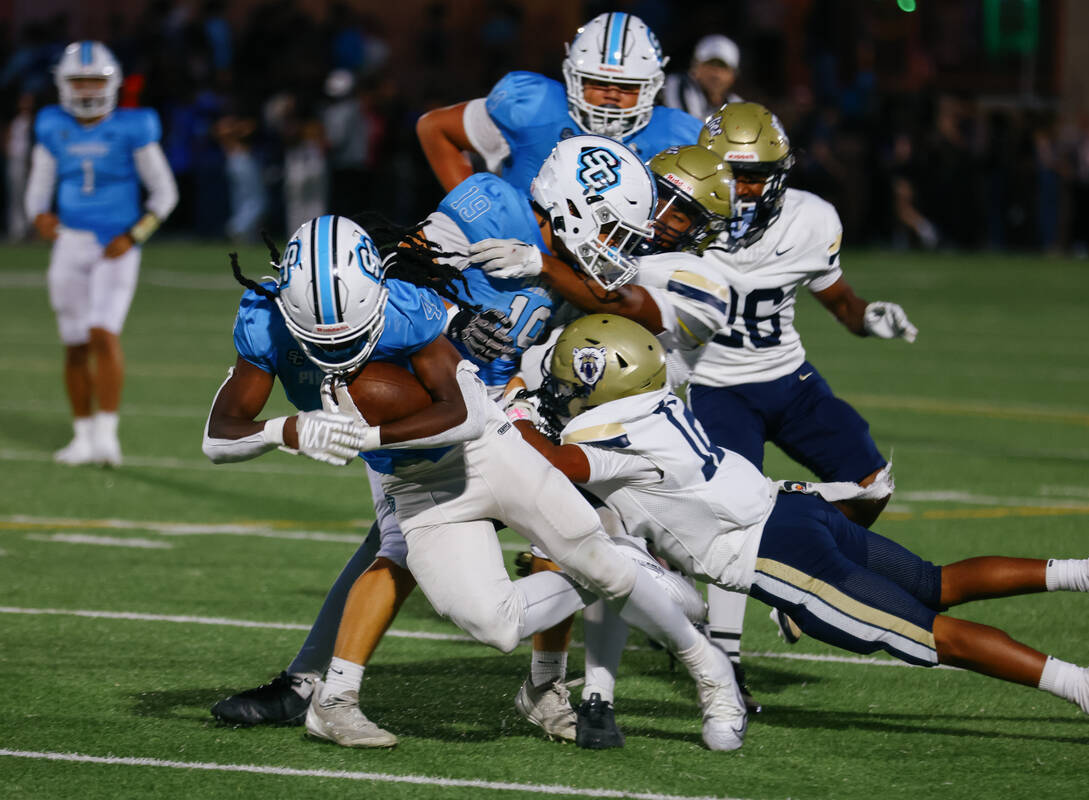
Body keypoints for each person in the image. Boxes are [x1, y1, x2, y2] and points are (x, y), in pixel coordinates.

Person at [508, 313, 1089, 750]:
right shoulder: (657, 397)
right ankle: (1088, 571)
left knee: (929, 634)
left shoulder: (604, 431)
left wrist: (510, 419)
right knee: (935, 584)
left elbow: (562, 459)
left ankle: (1088, 686)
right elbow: (569, 396)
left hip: (774, 555)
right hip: (795, 510)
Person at [208, 226, 745, 751]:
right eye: (323, 340)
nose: (341, 351)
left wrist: (360, 434)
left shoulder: (405, 305)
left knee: (595, 560)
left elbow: (462, 417)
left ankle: (712, 674)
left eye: (351, 334)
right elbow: (219, 435)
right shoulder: (264, 320)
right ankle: (616, 566)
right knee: (497, 625)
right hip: (416, 485)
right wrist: (287, 428)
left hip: (490, 448)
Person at [473, 144, 737, 742]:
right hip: (564, 407)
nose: (667, 219)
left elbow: (621, 303)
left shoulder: (702, 277)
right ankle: (579, 689)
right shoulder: (601, 243)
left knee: (633, 567)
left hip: (637, 425)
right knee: (578, 544)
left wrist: (542, 263)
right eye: (661, 199)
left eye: (685, 213)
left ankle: (702, 662)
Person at [683, 102, 918, 705]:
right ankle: (725, 663)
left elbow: (839, 301)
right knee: (731, 521)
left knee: (872, 483)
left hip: (788, 377)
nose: (744, 189)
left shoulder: (811, 220)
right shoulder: (678, 218)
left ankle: (795, 585)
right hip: (714, 387)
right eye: (733, 174)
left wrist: (869, 318)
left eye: (757, 175)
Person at [25, 41, 178, 466]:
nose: (88, 88)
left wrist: (134, 236)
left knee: (102, 334)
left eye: (95, 79)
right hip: (70, 242)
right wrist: (38, 215)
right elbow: (39, 184)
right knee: (73, 343)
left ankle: (107, 433)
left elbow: (165, 193)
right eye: (80, 80)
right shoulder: (52, 125)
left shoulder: (133, 126)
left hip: (116, 245)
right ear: (63, 83)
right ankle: (82, 435)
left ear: (111, 83)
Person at [416, 11, 701, 195]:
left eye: (628, 87)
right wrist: (474, 209)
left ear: (651, 86)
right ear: (575, 78)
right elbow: (434, 127)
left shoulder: (679, 136)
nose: (612, 94)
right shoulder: (535, 106)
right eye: (598, 82)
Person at [662, 34, 743, 121]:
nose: (716, 74)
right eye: (710, 65)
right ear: (695, 68)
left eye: (723, 68)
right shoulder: (677, 84)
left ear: (733, 75)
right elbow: (686, 127)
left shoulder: (737, 106)